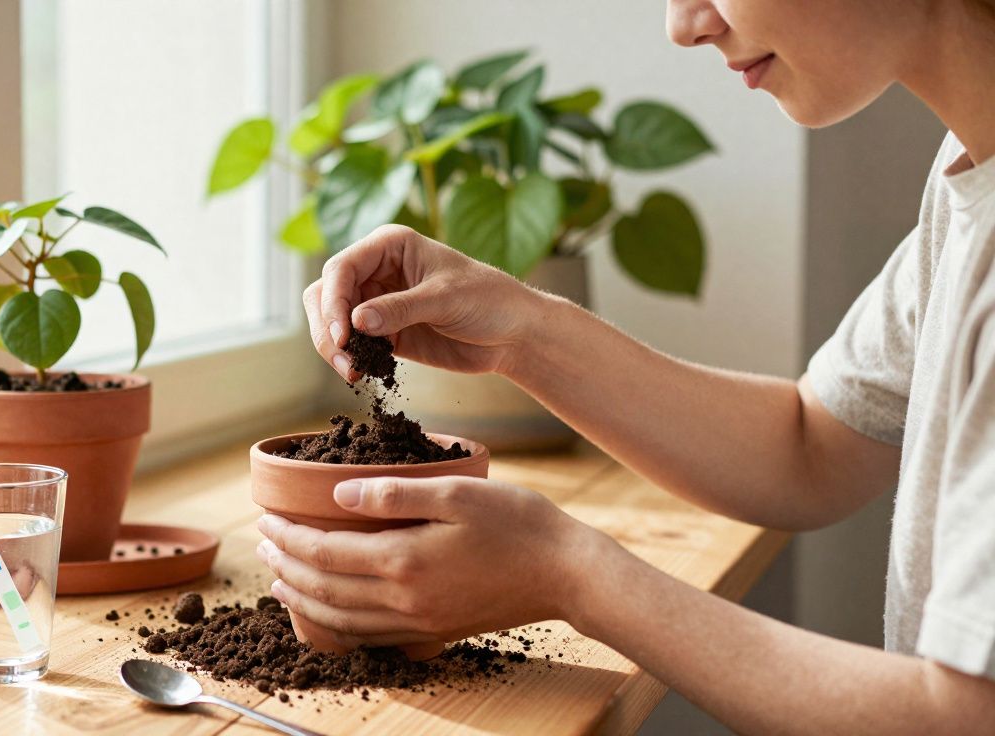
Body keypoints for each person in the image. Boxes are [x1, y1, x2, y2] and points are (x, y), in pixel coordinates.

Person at [254, 0, 995, 731]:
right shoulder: (966, 173)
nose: (684, 24)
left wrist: (572, 574)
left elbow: (965, 716)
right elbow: (813, 446)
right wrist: (521, 331)